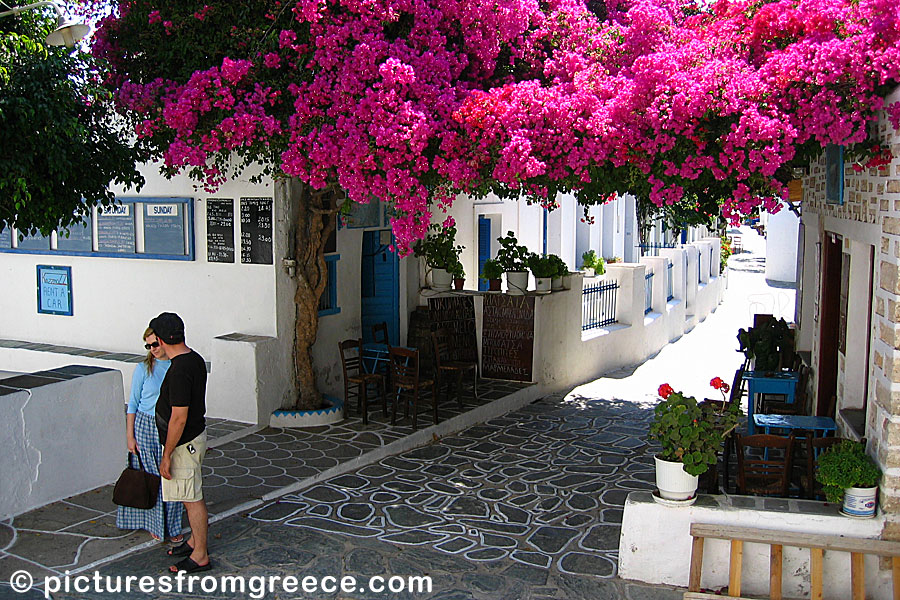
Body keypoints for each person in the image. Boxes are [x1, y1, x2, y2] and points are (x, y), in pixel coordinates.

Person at [149, 312, 211, 574]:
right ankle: (195, 540)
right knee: (188, 494)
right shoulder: (193, 359)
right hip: (192, 439)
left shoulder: (180, 370)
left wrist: (167, 453)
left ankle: (200, 555)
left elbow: (178, 417)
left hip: (184, 444)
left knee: (192, 498)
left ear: (162, 340)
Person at [116, 327, 184, 543]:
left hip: (168, 424)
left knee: (171, 474)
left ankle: (172, 525)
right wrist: (130, 435)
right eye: (148, 345)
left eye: (155, 344)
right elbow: (133, 403)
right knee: (150, 476)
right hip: (146, 424)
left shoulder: (177, 365)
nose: (152, 349)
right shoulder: (144, 368)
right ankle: (154, 523)